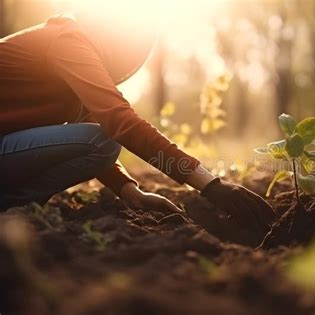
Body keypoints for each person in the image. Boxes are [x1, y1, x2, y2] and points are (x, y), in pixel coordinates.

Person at [0, 10, 275, 238]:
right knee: (101, 143)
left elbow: (88, 125)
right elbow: (118, 122)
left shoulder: (65, 42)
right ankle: (12, 208)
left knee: (97, 141)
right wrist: (210, 185)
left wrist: (127, 189)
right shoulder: (67, 41)